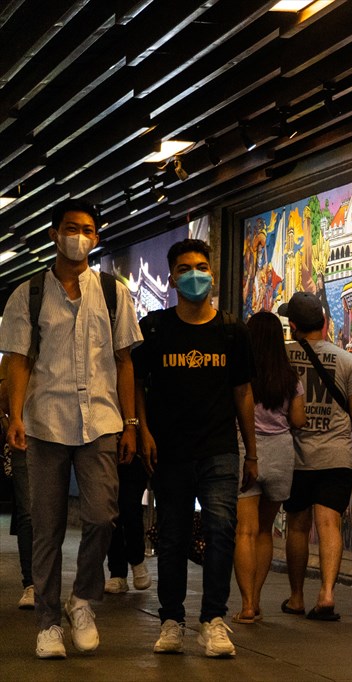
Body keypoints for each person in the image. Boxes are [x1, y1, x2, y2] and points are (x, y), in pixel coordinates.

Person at [0, 200, 143, 659]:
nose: (77, 236)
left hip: (101, 422)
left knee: (102, 516)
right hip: (45, 423)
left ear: (95, 237)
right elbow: (17, 360)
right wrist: (15, 415)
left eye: (85, 229)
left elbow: (124, 361)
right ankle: (47, 623)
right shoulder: (28, 294)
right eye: (69, 228)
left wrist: (132, 424)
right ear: (53, 234)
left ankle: (82, 600)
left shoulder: (114, 292)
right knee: (46, 526)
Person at [134, 238, 257, 658]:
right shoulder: (154, 330)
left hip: (219, 449)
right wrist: (142, 430)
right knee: (172, 536)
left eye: (201, 266)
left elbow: (243, 393)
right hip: (169, 451)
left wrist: (252, 452)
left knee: (222, 530)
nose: (194, 275)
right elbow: (136, 384)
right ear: (171, 278)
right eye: (185, 268)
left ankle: (213, 620)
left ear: (212, 273)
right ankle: (171, 620)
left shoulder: (231, 331)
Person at [278, 291, 352, 621]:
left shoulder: (282, 357)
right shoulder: (346, 360)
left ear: (293, 325)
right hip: (336, 457)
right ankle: (326, 594)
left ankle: (296, 597)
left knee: (297, 525)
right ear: (324, 323)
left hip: (295, 458)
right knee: (329, 524)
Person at [232, 311, 306, 624]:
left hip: (246, 451)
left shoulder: (241, 374)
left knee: (244, 531)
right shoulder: (290, 378)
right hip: (281, 455)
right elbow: (299, 421)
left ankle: (246, 604)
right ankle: (257, 600)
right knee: (264, 532)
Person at [1, 354, 35, 610]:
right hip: (24, 434)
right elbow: (3, 398)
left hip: (60, 432)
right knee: (28, 511)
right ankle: (31, 582)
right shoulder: (13, 357)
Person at [103, 452, 151, 594]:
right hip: (106, 446)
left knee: (130, 505)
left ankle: (137, 559)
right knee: (110, 511)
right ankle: (117, 572)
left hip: (136, 450)